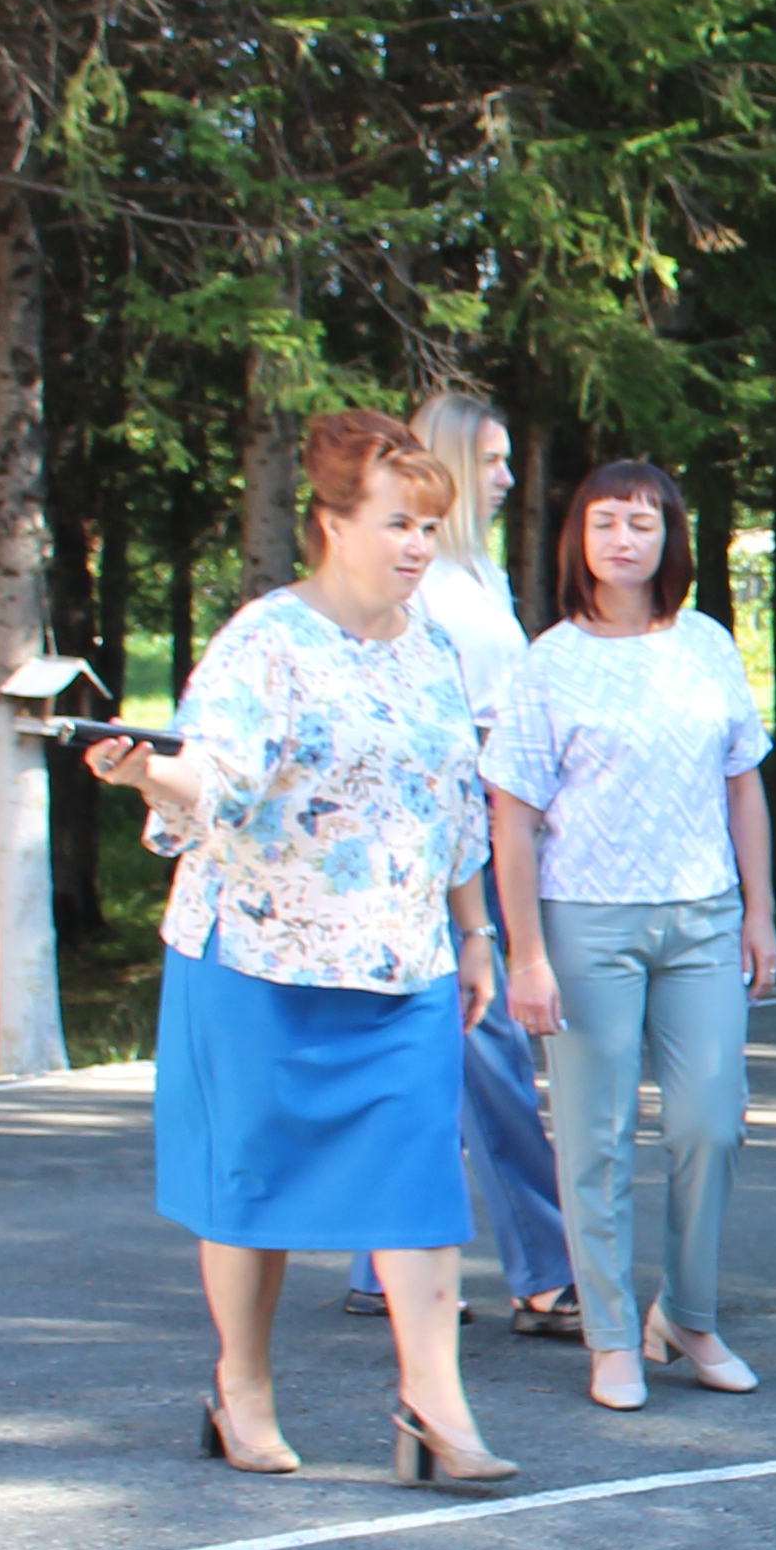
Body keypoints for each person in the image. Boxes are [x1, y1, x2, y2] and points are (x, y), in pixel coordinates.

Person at [88, 409, 517, 1488]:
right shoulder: (263, 642)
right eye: (398, 523)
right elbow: (213, 778)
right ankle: (243, 1391)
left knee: (422, 1181)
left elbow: (452, 804)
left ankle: (437, 1409)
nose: (419, 545)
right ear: (332, 524)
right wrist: (146, 771)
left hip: (401, 964)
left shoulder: (434, 648)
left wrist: (475, 937)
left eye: (430, 524)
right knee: (251, 1184)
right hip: (257, 962)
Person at [486, 459, 776, 1416]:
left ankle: (686, 1315)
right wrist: (526, 953)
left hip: (702, 917)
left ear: (670, 539)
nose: (623, 539)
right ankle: (612, 1336)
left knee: (710, 1122)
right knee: (595, 1140)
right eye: (604, 520)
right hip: (586, 926)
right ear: (579, 537)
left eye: (642, 523)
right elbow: (512, 818)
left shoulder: (705, 644)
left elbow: (743, 783)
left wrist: (760, 911)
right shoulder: (548, 660)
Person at [336, 390, 579, 1344]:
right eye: (492, 462)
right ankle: (549, 1266)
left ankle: (374, 1258)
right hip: (449, 831)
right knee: (488, 1054)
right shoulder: (426, 585)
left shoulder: (467, 577)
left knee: (419, 1054)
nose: (510, 478)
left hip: (467, 823)